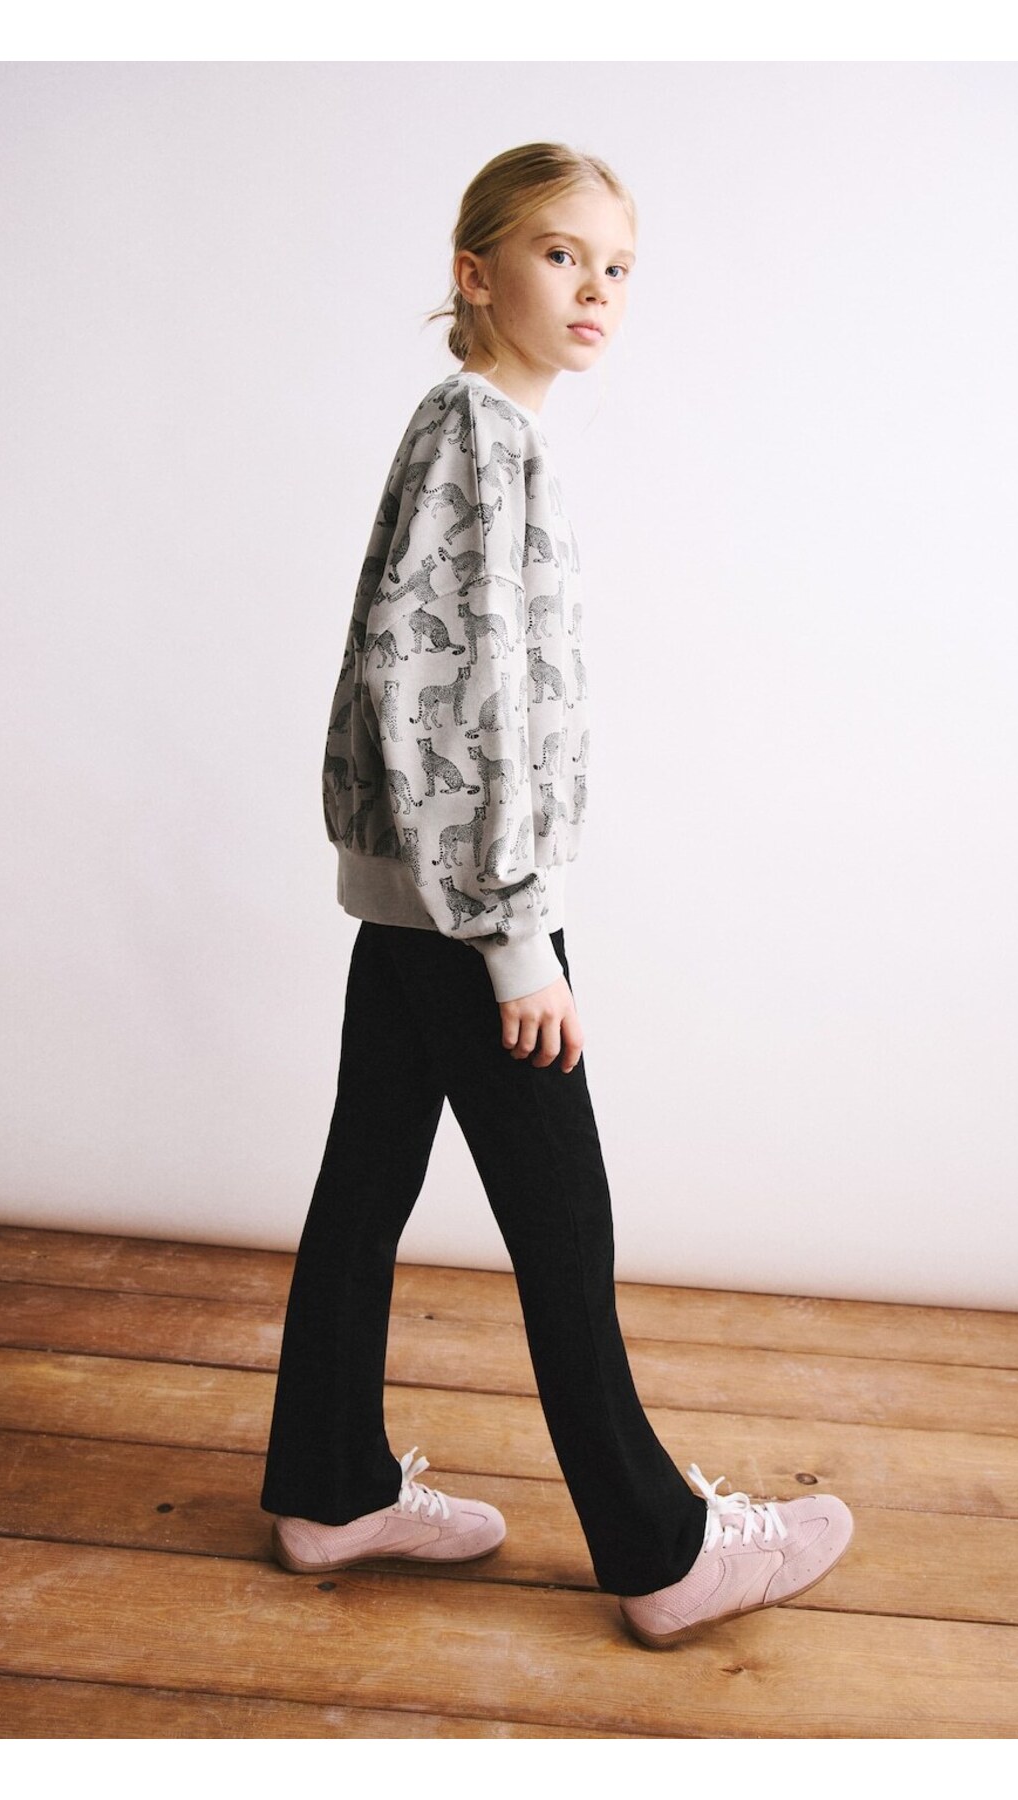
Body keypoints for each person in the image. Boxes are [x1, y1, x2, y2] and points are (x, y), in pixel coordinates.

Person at [259, 141, 854, 1649]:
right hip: (473, 910)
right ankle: (663, 1553)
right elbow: (452, 698)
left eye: (618, 265)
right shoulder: (483, 436)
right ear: (475, 274)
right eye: (559, 253)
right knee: (562, 1222)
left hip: (422, 897)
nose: (595, 288)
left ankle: (329, 1487)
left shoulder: (474, 428)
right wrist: (517, 937)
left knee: (366, 1186)